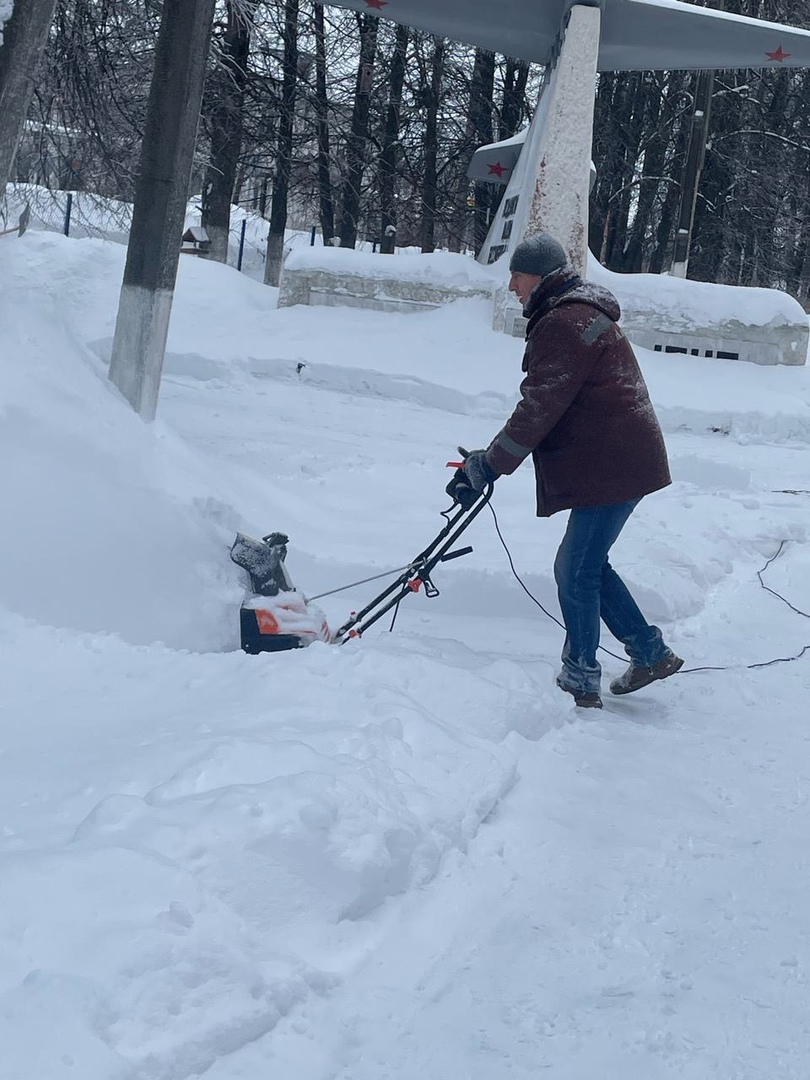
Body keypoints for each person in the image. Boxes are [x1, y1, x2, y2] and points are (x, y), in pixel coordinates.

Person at [446, 233, 683, 709]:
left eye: (517, 275)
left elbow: (539, 406)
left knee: (574, 569)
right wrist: (490, 458)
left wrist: (489, 465)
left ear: (540, 276)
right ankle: (649, 652)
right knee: (588, 564)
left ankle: (580, 675)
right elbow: (550, 401)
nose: (511, 286)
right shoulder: (578, 314)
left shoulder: (564, 322)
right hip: (621, 458)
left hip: (612, 464)